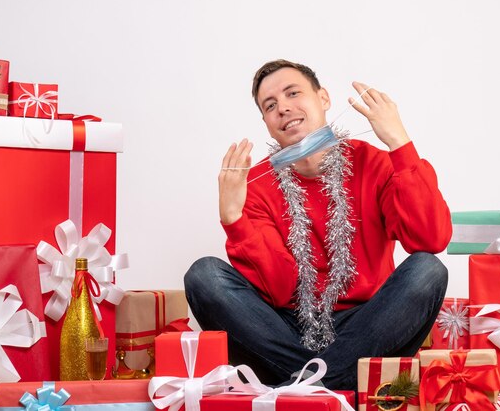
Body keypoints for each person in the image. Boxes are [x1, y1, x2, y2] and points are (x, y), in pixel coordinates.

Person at [184, 59, 452, 390]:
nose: (283, 107)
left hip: (370, 324)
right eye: (270, 106)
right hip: (286, 331)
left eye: (292, 93)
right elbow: (281, 289)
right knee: (204, 276)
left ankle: (304, 388)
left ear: (323, 99)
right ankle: (331, 384)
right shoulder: (254, 184)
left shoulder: (375, 163)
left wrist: (400, 144)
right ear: (267, 123)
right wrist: (233, 219)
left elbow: (431, 238)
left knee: (428, 269)